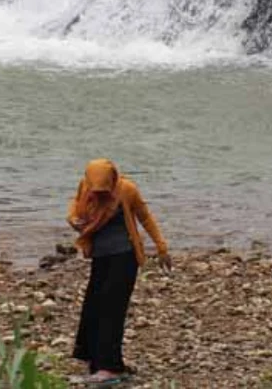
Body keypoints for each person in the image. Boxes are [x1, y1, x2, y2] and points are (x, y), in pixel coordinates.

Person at [67, 158, 171, 385]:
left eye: (105, 191)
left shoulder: (127, 189)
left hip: (124, 257)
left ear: (113, 179)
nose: (101, 195)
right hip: (100, 256)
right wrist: (73, 219)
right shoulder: (85, 187)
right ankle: (96, 362)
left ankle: (111, 368)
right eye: (97, 191)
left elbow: (145, 217)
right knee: (93, 306)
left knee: (111, 310)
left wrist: (161, 247)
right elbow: (75, 205)